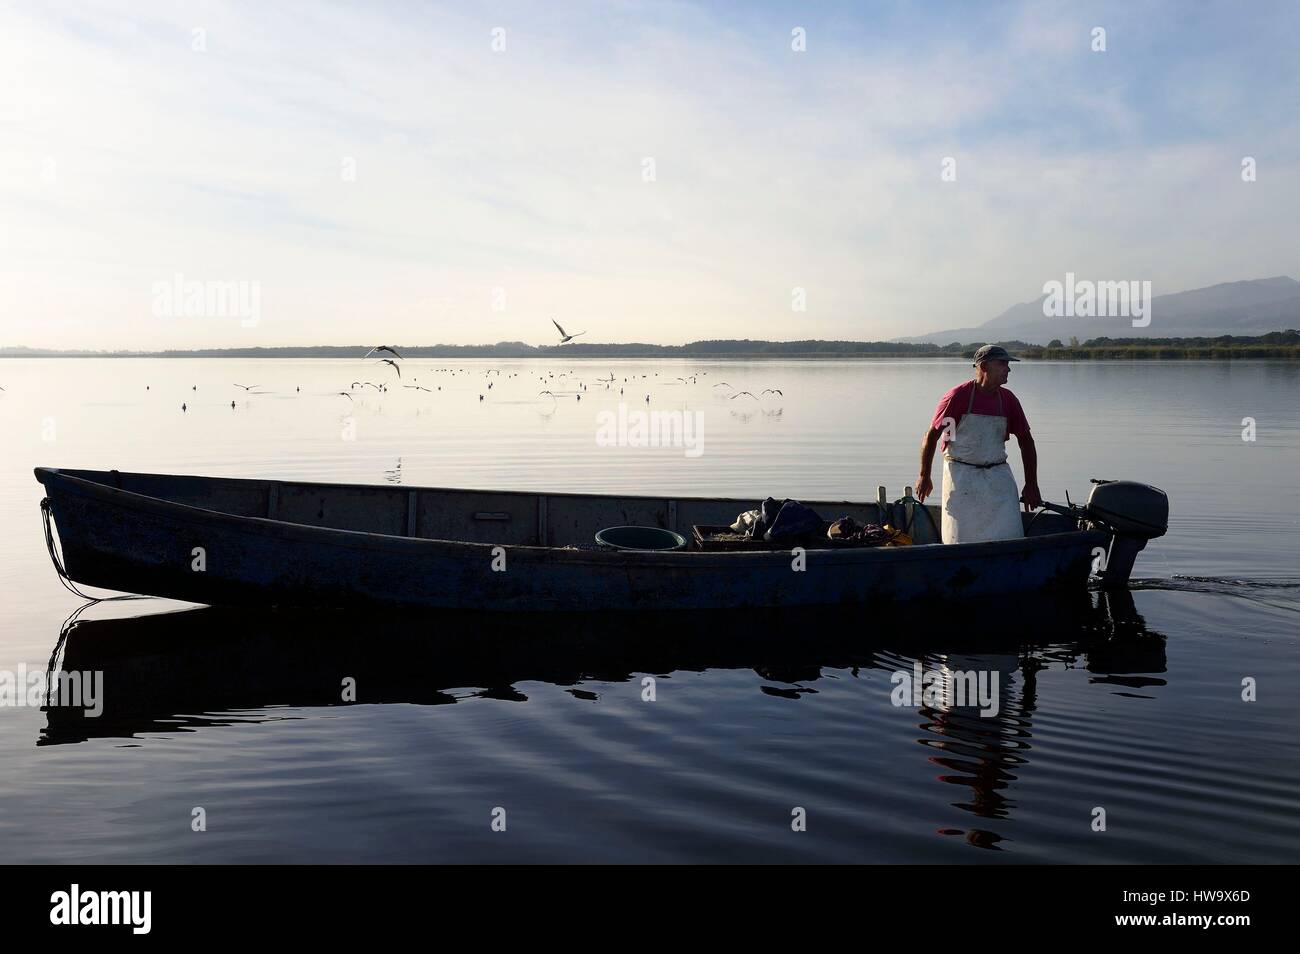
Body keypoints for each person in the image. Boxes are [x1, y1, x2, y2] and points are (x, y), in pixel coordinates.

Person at [915, 344, 1041, 544]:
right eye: (1002, 364)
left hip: (998, 474)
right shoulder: (958, 397)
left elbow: (1026, 442)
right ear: (983, 367)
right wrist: (924, 475)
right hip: (961, 474)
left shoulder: (1008, 400)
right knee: (962, 540)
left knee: (1010, 538)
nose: (1008, 369)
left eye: (1008, 364)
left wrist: (1031, 484)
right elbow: (932, 436)